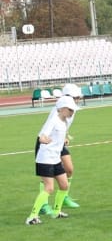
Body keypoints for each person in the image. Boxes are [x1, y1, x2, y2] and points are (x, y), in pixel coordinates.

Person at [26, 96, 80, 225]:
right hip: (45, 158)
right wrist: (44, 139)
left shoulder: (64, 122)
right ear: (61, 109)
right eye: (70, 109)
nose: (72, 112)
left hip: (55, 158)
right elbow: (42, 136)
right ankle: (32, 217)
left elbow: (58, 136)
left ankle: (56, 212)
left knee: (64, 185)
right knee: (49, 188)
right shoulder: (53, 120)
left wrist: (64, 140)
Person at [38, 83, 82, 215]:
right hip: (48, 143)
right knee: (48, 175)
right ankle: (43, 205)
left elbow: (63, 125)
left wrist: (65, 136)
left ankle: (63, 197)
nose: (79, 98)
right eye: (77, 96)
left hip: (59, 142)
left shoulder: (71, 109)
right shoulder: (58, 110)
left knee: (69, 169)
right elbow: (48, 130)